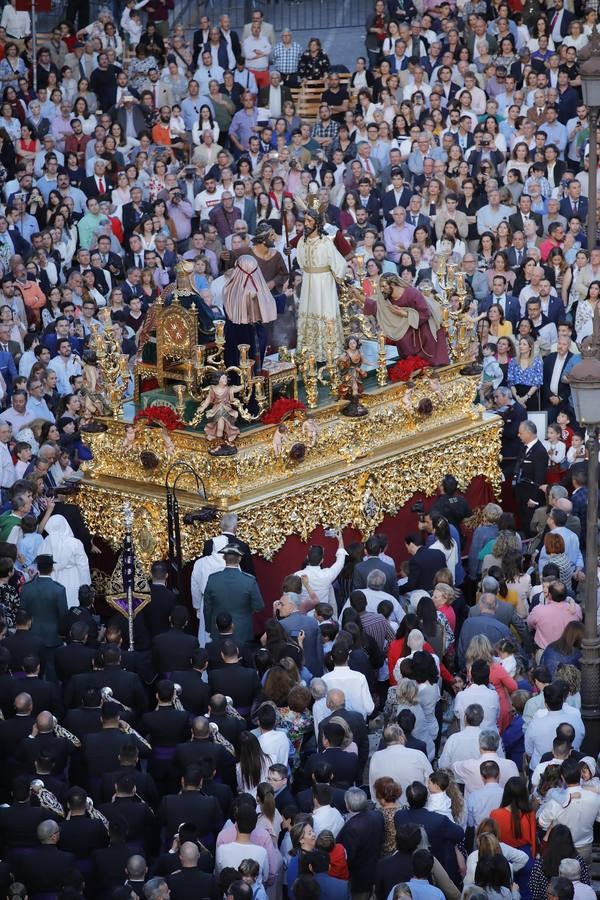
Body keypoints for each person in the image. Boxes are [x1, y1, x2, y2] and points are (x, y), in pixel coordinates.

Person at [296, 207, 348, 362]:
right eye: (305, 220)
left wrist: (339, 278)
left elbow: (340, 263)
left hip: (324, 283)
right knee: (309, 312)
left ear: (317, 223)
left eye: (309, 221)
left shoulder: (325, 242)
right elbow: (300, 261)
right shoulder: (301, 241)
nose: (306, 224)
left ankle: (329, 350)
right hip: (308, 282)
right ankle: (309, 349)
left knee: (325, 312)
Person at [203, 544, 264, 644]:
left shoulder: (213, 579)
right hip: (243, 630)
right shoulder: (249, 580)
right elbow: (259, 606)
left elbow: (207, 608)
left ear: (223, 558)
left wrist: (209, 627)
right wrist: (246, 611)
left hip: (218, 629)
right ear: (239, 559)